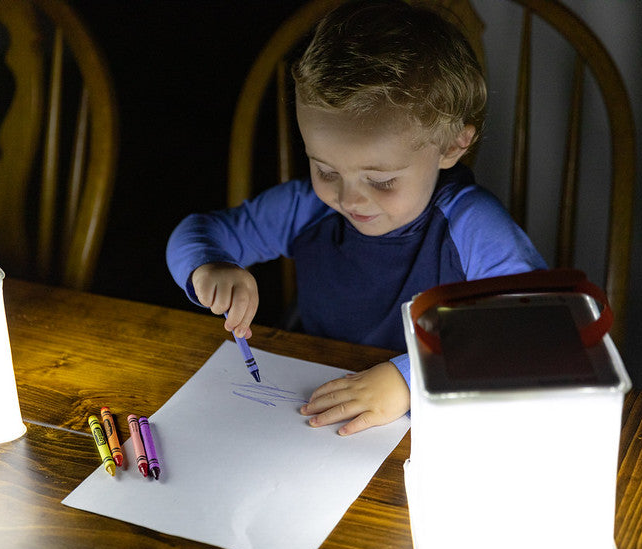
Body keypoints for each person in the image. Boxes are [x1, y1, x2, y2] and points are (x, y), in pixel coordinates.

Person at [166, 0, 546, 435]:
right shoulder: (308, 206)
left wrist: (409, 379)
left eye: (381, 180)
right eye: (326, 170)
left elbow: (531, 323)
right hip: (309, 395)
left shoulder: (469, 223)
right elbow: (197, 232)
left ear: (451, 147)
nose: (349, 198)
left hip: (427, 424)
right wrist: (209, 267)